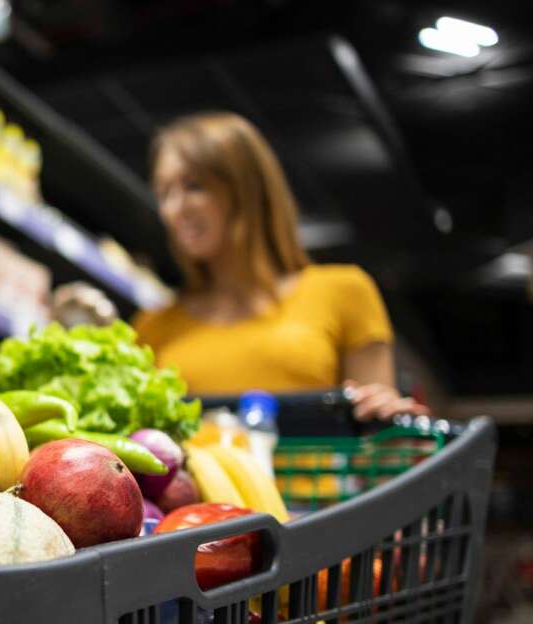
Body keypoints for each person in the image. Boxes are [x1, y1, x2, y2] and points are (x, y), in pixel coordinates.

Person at [135, 111, 428, 421]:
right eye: (165, 193)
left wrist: (389, 416)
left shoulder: (344, 291)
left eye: (193, 186)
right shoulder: (152, 327)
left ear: (247, 188)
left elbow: (379, 448)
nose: (175, 209)